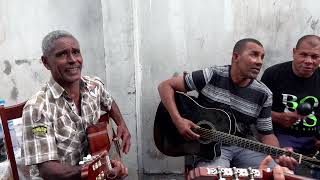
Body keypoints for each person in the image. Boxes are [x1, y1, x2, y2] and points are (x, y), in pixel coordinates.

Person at [158, 38, 297, 171]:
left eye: (262, 57)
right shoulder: (213, 75)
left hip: (243, 146)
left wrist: (278, 154)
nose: (260, 61)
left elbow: (267, 135)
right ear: (236, 57)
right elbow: (165, 86)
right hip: (210, 148)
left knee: (275, 173)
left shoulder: (264, 94)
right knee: (213, 175)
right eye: (254, 55)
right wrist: (178, 121)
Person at [21, 30, 131, 179]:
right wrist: (102, 168)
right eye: (62, 54)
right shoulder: (37, 108)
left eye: (76, 52)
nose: (72, 59)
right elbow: (48, 170)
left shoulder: (94, 86)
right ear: (46, 62)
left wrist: (121, 124)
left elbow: (109, 102)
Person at [261, 35, 320, 178]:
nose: (309, 61)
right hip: (283, 136)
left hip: (314, 137)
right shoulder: (274, 74)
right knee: (285, 170)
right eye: (304, 55)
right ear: (294, 52)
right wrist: (278, 117)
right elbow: (256, 112)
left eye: (315, 57)